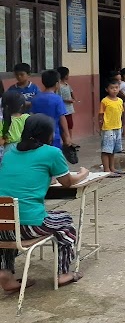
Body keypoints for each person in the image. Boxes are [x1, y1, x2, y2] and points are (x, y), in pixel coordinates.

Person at [0, 114, 89, 290]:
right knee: (66, 223)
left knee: (10, 224)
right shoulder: (52, 153)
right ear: (47, 134)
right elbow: (67, 182)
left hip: (1, 225)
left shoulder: (9, 154)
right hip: (29, 226)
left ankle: (5, 272)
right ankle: (63, 274)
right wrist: (83, 173)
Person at [30, 69, 71, 150]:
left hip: (38, 135)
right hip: (53, 134)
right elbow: (62, 119)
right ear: (57, 83)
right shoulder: (57, 99)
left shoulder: (35, 98)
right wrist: (67, 136)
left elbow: (32, 115)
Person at [98, 77, 125, 178]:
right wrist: (100, 126)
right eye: (112, 88)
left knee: (113, 150)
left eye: (116, 87)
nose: (114, 90)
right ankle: (106, 169)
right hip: (107, 128)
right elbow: (100, 115)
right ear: (106, 89)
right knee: (106, 150)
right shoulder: (104, 101)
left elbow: (121, 113)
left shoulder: (120, 101)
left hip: (117, 127)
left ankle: (112, 168)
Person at [0, 92, 28, 163]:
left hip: (8, 152)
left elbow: (1, 142)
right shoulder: (27, 118)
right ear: (22, 105)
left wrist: (6, 139)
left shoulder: (3, 122)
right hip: (25, 149)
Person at [56, 67, 76, 136]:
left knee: (70, 125)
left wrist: (74, 98)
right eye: (67, 74)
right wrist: (67, 100)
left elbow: (72, 93)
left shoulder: (67, 85)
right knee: (64, 127)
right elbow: (58, 98)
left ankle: (70, 140)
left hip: (69, 110)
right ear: (64, 75)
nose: (68, 76)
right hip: (63, 110)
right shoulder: (58, 86)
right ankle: (66, 141)